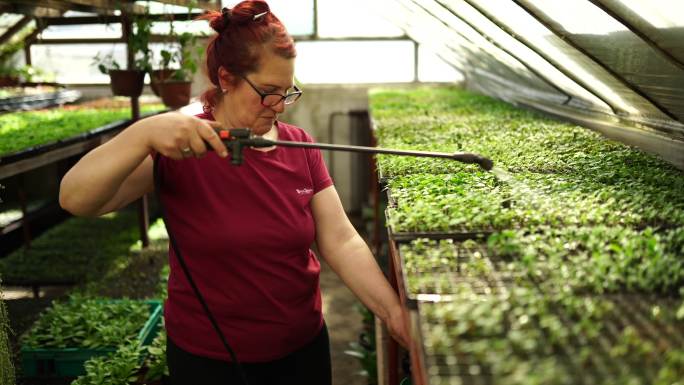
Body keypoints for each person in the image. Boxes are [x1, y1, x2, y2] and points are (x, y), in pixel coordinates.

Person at [59, 1, 410, 384]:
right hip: (208, 361)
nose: (279, 107)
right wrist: (143, 134)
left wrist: (393, 312)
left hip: (302, 351)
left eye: (287, 92)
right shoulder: (180, 147)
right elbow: (76, 199)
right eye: (268, 92)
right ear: (226, 79)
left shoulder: (300, 145)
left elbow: (341, 239)